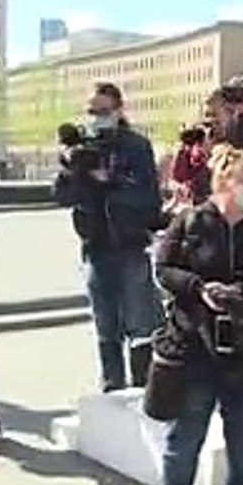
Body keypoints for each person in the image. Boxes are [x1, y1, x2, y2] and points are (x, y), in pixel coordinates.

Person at [153, 145, 243, 485]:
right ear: (225, 183)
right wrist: (199, 288)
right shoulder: (190, 221)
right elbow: (164, 270)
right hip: (195, 348)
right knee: (183, 441)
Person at [54, 82, 164, 393]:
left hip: (130, 243)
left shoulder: (136, 146)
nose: (96, 118)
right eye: (91, 111)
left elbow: (148, 198)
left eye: (103, 111)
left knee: (139, 320)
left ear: (118, 110)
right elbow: (62, 196)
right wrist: (71, 170)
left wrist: (109, 182)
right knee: (105, 322)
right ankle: (111, 382)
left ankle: (143, 386)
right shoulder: (80, 148)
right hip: (95, 244)